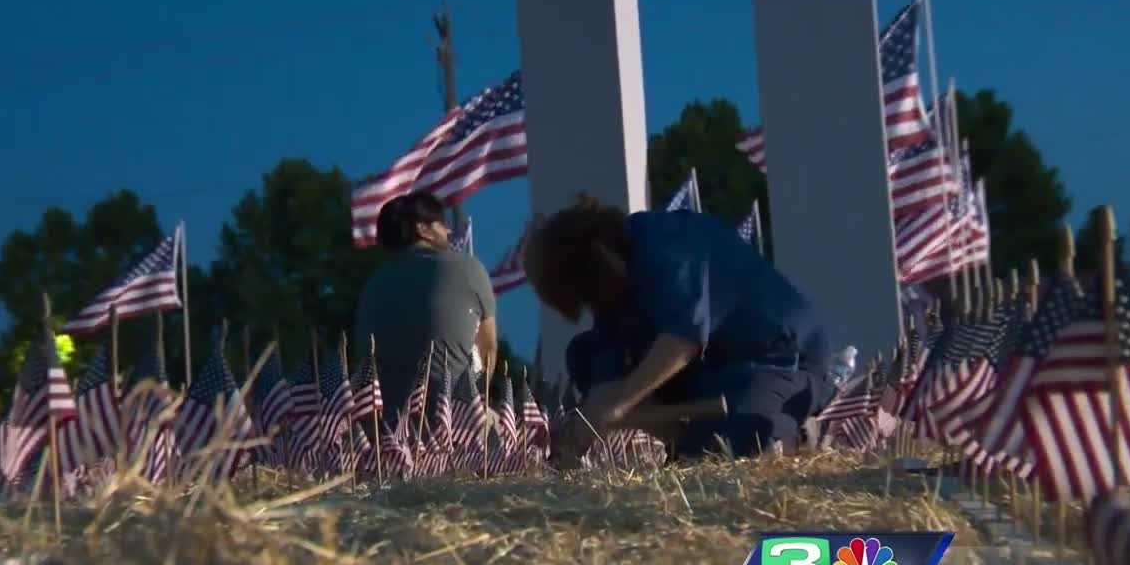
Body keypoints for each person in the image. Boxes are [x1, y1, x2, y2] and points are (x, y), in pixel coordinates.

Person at [523, 195, 837, 460]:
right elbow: (608, 379)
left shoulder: (670, 243)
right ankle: (684, 445)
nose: (590, 305)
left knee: (733, 449)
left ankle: (796, 429)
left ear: (601, 256)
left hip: (780, 358)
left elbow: (681, 341)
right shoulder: (610, 296)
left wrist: (617, 404)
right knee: (583, 355)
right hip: (716, 373)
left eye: (585, 292)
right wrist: (584, 423)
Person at [355, 191, 497, 418]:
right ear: (423, 230)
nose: (449, 231)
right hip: (452, 419)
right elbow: (488, 348)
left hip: (385, 425)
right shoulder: (469, 269)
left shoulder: (371, 286)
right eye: (442, 225)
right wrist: (476, 401)